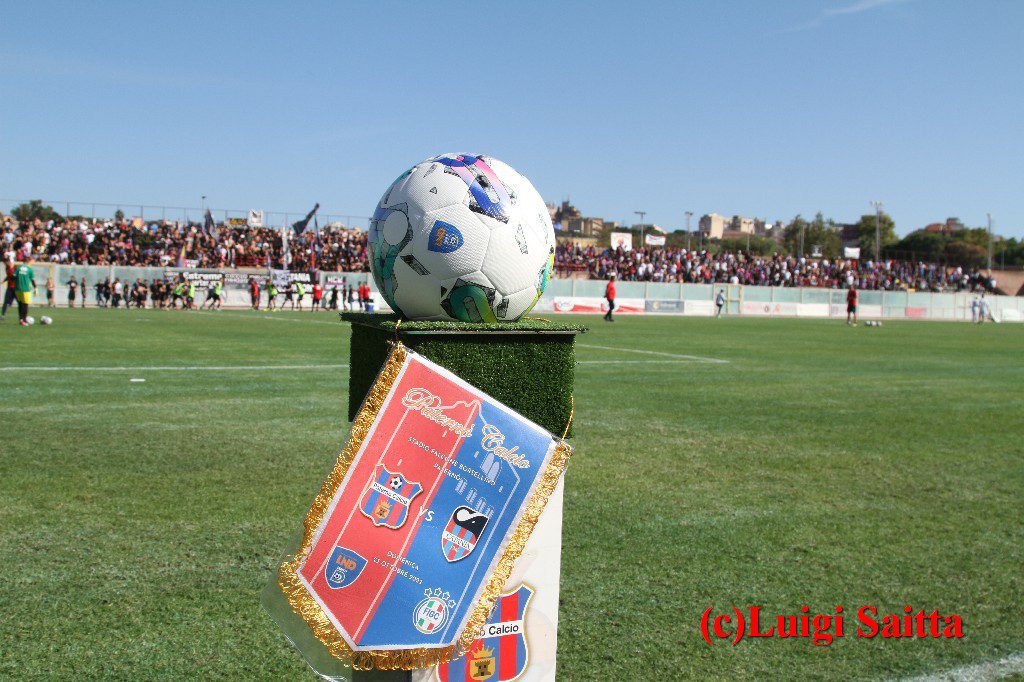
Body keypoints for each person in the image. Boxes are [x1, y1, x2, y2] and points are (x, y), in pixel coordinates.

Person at [13, 261, 36, 326]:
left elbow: (14, 277)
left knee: (20, 304)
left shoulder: (18, 267)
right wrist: (35, 287)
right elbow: (33, 280)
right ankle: (24, 320)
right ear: (29, 262)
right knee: (25, 305)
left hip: (17, 289)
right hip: (26, 289)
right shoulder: (30, 269)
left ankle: (21, 319)